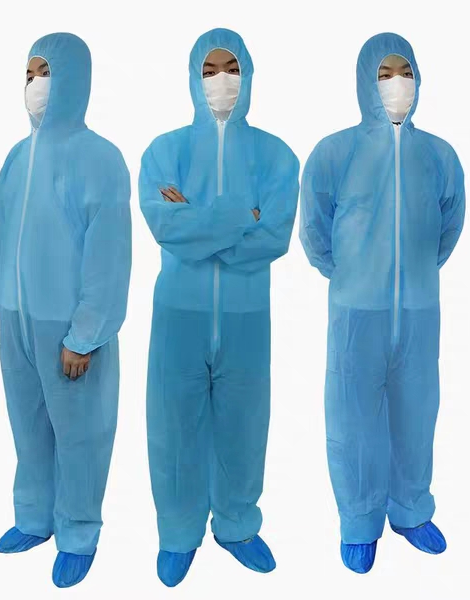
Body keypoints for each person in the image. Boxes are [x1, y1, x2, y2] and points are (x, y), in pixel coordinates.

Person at [300, 32, 465, 574]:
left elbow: (449, 225)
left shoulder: (439, 155)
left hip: (418, 311)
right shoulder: (334, 153)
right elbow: (314, 230)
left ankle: (411, 510)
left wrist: (416, 272)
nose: (397, 85)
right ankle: (359, 521)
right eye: (384, 74)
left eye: (405, 73)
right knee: (353, 423)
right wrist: (350, 274)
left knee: (416, 416)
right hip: (356, 313)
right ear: (364, 82)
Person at [139, 28, 299, 587]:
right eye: (209, 71)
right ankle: (177, 533)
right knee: (172, 429)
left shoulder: (277, 156)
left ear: (248, 75)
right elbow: (166, 229)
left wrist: (198, 218)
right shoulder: (163, 152)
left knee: (245, 427)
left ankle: (237, 526)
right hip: (177, 315)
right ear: (192, 78)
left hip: (246, 319)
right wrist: (241, 217)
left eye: (230, 68)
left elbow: (274, 237)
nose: (221, 80)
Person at [0, 32, 132, 588]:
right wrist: (1, 301)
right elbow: (2, 233)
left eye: (45, 73)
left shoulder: (100, 158)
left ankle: (78, 533)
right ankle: (34, 518)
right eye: (28, 75)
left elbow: (109, 256)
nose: (35, 85)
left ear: (74, 80)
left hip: (69, 329)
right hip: (18, 320)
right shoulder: (17, 158)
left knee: (80, 436)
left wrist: (85, 333)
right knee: (28, 428)